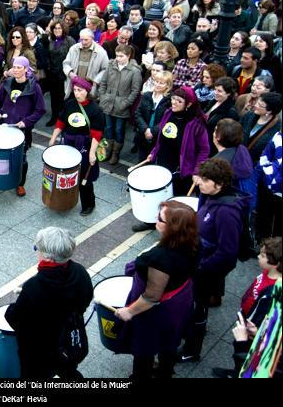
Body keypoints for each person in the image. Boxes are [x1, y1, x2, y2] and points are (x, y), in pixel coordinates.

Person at [114, 200, 197, 379]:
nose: (155, 219)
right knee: (170, 342)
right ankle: (165, 371)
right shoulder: (193, 242)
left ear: (173, 228)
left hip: (159, 312)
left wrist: (129, 311)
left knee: (145, 346)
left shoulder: (161, 259)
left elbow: (151, 297)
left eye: (160, 218)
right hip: (181, 302)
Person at [179, 159, 249, 362]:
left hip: (206, 268)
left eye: (205, 179)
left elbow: (227, 252)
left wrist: (202, 267)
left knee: (197, 308)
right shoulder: (211, 195)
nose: (199, 181)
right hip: (202, 260)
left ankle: (191, 350)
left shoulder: (227, 212)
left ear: (219, 184)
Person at [5, 227, 93, 378]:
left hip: (39, 351)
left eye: (37, 248)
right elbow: (85, 300)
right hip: (68, 342)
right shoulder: (80, 272)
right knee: (68, 371)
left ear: (48, 257)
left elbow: (15, 319)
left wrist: (14, 307)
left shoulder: (34, 287)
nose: (36, 252)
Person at [132, 86, 210, 232]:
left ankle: (173, 231)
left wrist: (197, 171)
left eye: (179, 101)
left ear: (189, 104)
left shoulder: (196, 123)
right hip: (162, 162)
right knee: (156, 195)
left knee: (176, 203)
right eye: (173, 98)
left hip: (181, 169)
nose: (173, 102)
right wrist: (154, 152)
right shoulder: (168, 113)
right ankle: (151, 221)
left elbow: (204, 150)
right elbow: (162, 138)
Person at [212, 237, 282, 378]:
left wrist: (255, 330)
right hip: (247, 318)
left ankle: (240, 372)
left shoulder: (273, 291)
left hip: (253, 327)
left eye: (263, 256)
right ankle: (237, 370)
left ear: (276, 263)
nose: (258, 257)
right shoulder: (266, 273)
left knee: (247, 351)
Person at [0, 56, 46, 197]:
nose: (15, 70)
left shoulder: (34, 87)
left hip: (22, 129)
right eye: (14, 67)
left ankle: (20, 183)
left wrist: (26, 122)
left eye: (19, 67)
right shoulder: (7, 82)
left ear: (26, 69)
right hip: (4, 125)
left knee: (22, 158)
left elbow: (40, 110)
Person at [48, 76, 104, 215]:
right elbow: (61, 121)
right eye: (75, 90)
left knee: (85, 177)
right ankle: (65, 200)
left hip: (84, 145)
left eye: (80, 90)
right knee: (66, 174)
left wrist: (92, 153)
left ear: (87, 91)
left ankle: (89, 204)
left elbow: (97, 134)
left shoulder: (95, 110)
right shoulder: (70, 104)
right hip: (68, 143)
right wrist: (53, 138)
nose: (76, 93)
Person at [97, 45, 143, 165]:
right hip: (108, 102)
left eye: (121, 56)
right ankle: (108, 150)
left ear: (128, 56)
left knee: (119, 130)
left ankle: (115, 153)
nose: (118, 58)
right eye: (117, 55)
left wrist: (125, 103)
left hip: (121, 105)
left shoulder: (134, 71)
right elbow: (103, 83)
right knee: (109, 128)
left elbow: (135, 91)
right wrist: (103, 97)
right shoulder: (111, 66)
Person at [135, 71, 173, 162]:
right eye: (156, 81)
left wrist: (153, 131)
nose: (158, 84)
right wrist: (145, 129)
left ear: (168, 86)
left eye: (161, 83)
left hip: (158, 137)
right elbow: (138, 113)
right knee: (141, 159)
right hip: (143, 134)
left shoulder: (169, 100)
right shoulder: (146, 95)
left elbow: (168, 120)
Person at [62, 29, 108, 98]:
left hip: (90, 89)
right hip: (73, 87)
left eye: (86, 40)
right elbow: (66, 63)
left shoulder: (101, 52)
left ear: (92, 38)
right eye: (81, 39)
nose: (83, 42)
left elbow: (106, 69)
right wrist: (70, 73)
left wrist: (96, 81)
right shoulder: (73, 49)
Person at [241, 92, 282, 165]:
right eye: (257, 102)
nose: (256, 105)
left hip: (252, 166)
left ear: (269, 111)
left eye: (260, 105)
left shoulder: (276, 130)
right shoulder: (249, 115)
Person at [203, 77, 240, 156]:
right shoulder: (213, 102)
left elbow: (225, 137)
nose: (215, 92)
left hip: (211, 148)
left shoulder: (231, 112)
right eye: (215, 89)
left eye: (219, 91)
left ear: (228, 93)